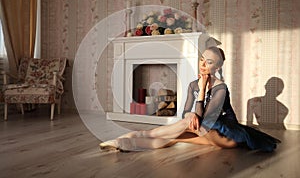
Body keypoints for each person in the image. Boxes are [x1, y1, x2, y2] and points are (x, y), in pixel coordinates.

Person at [100, 46, 280, 152]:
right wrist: (190, 114)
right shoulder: (193, 84)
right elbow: (186, 111)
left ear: (216, 67)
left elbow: (207, 119)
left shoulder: (220, 88)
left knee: (183, 127)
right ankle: (122, 143)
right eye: (202, 59)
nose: (202, 64)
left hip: (225, 134)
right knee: (174, 138)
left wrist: (201, 92)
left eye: (208, 62)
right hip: (202, 129)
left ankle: (134, 136)